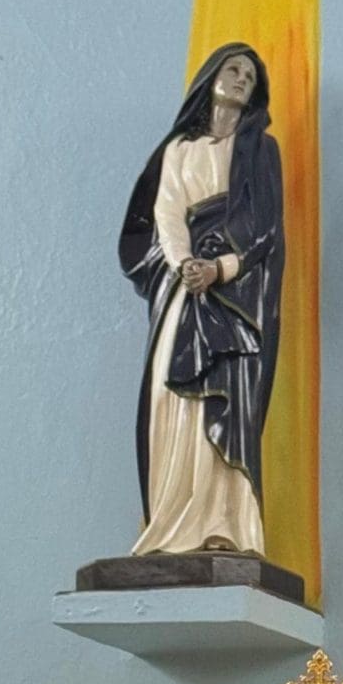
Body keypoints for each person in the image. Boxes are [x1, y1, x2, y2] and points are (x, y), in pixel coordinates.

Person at [118, 44, 284, 559]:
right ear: (211, 77)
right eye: (233, 69)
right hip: (184, 284)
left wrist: (221, 268)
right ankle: (170, 522)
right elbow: (166, 211)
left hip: (235, 294)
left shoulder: (260, 151)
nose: (241, 79)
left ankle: (224, 525)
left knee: (227, 393)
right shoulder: (180, 150)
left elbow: (266, 227)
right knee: (168, 391)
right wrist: (185, 264)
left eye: (250, 75)